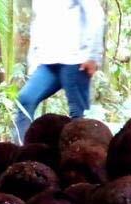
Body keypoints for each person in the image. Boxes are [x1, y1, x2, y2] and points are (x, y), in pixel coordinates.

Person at [14, 0, 106, 143]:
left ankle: (83, 159)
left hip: (75, 60)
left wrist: (92, 55)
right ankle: (21, 153)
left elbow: (94, 12)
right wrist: (34, 62)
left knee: (78, 117)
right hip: (48, 61)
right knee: (25, 99)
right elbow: (38, 23)